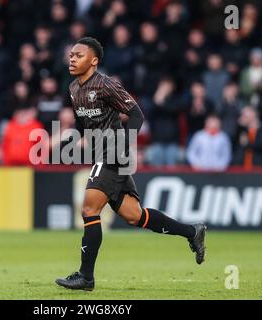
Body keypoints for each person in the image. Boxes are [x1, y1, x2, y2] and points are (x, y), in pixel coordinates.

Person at [55, 37, 207, 291]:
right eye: (71, 54)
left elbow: (137, 114)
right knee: (135, 216)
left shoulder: (106, 85)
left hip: (113, 154)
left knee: (89, 210)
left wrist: (125, 142)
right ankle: (193, 232)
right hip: (103, 155)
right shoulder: (73, 89)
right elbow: (83, 123)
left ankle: (86, 277)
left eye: (79, 55)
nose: (72, 58)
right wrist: (76, 138)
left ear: (93, 61)